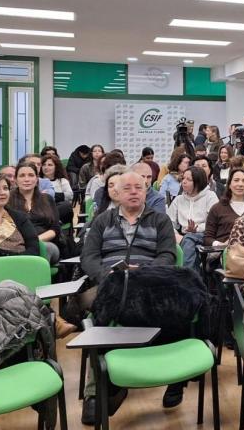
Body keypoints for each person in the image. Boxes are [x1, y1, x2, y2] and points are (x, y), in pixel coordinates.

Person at [80, 169, 179, 424]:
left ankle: (175, 378)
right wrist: (107, 277)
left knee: (176, 309)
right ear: (117, 193)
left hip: (149, 284)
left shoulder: (160, 220)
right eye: (128, 188)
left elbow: (167, 256)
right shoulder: (103, 221)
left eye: (139, 187)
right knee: (100, 313)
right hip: (109, 284)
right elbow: (89, 257)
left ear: (146, 190)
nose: (134, 192)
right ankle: (97, 393)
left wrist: (143, 273)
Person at [166, 166, 218, 271]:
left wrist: (196, 229)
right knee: (187, 240)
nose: (183, 182)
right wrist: (175, 234)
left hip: (205, 234)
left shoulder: (210, 196)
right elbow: (168, 221)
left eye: (188, 180)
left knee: (189, 239)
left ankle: (185, 275)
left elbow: (213, 222)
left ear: (198, 182)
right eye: (183, 178)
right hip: (182, 235)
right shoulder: (179, 199)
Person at [9, 162, 62, 265]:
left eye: (31, 175)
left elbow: (55, 229)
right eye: (22, 176)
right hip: (17, 243)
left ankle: (37, 278)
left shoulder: (47, 199)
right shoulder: (8, 200)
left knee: (45, 248)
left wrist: (34, 241)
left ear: (37, 179)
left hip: (45, 243)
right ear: (15, 179)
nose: (27, 179)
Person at [204, 167, 244, 247]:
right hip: (223, 254)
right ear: (229, 184)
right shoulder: (217, 208)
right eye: (236, 180)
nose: (240, 184)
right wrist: (221, 245)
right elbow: (207, 238)